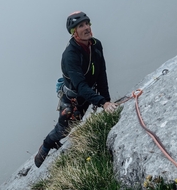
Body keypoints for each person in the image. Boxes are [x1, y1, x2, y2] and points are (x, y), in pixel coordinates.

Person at [34, 11, 118, 168]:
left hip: (88, 94)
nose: (87, 28)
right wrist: (102, 103)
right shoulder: (70, 55)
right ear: (74, 32)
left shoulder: (96, 45)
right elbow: (80, 86)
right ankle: (45, 146)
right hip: (73, 100)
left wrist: (106, 100)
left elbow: (101, 75)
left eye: (87, 24)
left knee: (77, 124)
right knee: (63, 130)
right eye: (81, 26)